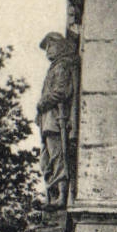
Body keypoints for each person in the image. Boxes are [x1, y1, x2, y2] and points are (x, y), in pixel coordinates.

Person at [36, 29, 80, 207]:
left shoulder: (62, 66)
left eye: (50, 46)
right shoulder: (55, 67)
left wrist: (42, 102)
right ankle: (53, 194)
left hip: (55, 119)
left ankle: (61, 196)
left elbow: (62, 91)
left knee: (57, 157)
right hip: (47, 120)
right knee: (46, 159)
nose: (48, 51)